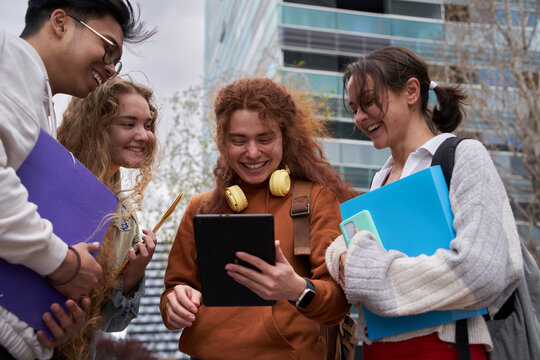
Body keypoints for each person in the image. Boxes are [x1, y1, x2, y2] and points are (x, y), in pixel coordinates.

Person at [325, 46, 524, 359]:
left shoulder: (463, 156)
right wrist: (340, 258)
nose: (360, 118)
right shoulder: (381, 178)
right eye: (354, 108)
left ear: (411, 91)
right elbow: (349, 248)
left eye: (368, 102)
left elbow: (482, 271)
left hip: (444, 347)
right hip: (378, 349)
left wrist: (371, 275)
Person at [160, 77, 357, 359]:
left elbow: (339, 302)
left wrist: (298, 289)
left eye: (265, 139)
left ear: (284, 138)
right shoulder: (200, 208)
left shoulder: (314, 200)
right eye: (238, 141)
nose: (252, 152)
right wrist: (174, 303)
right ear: (222, 143)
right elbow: (173, 291)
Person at [0, 1, 154, 359]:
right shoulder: (7, 62)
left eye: (117, 59)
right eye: (108, 48)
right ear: (60, 22)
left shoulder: (39, 106)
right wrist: (65, 264)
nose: (111, 67)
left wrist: (62, 322)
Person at [56, 75, 158, 359]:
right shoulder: (50, 178)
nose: (145, 135)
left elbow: (110, 323)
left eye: (147, 125)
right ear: (96, 126)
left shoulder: (125, 215)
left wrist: (132, 276)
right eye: (128, 123)